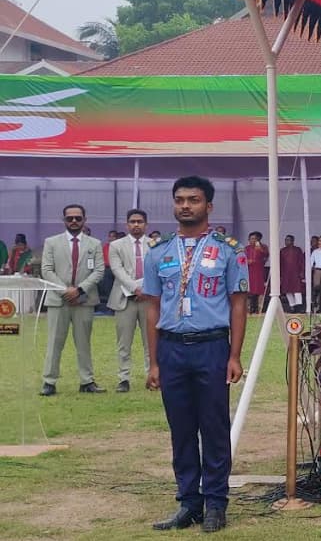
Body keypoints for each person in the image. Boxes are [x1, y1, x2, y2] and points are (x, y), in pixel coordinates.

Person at [144, 176, 248, 533]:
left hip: (211, 347)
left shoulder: (229, 250)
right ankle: (189, 502)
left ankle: (216, 503)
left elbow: (238, 304)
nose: (185, 205)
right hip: (172, 349)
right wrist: (154, 361)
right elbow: (153, 308)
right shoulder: (159, 252)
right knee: (181, 429)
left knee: (214, 428)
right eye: (180, 200)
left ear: (209, 206)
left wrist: (234, 355)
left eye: (193, 199)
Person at [39, 204, 106, 396]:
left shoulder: (94, 243)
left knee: (84, 342)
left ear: (85, 219)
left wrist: (79, 290)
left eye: (78, 218)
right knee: (54, 342)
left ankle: (87, 381)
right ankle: (49, 382)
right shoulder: (51, 242)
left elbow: (99, 271)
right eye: (70, 218)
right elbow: (46, 270)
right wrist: (65, 291)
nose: (74, 221)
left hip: (84, 300)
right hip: (58, 300)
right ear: (64, 221)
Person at [107, 209, 152, 393]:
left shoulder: (155, 244)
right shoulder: (116, 245)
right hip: (124, 299)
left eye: (140, 221)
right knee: (124, 342)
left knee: (150, 341)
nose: (136, 225)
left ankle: (152, 376)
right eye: (132, 221)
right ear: (127, 224)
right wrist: (135, 288)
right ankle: (123, 378)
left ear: (146, 224)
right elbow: (117, 270)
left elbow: (158, 270)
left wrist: (146, 289)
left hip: (149, 299)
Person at [279, 235, 306, 313]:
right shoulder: (282, 251)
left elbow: (301, 262)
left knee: (297, 290)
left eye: (288, 240)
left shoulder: (297, 250)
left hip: (296, 273)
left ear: (292, 241)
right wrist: (280, 275)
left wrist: (302, 272)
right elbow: (280, 263)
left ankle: (299, 306)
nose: (286, 242)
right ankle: (292, 306)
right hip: (286, 273)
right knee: (287, 290)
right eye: (286, 240)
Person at [243, 231, 268, 314]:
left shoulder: (263, 247)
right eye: (251, 239)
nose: (252, 240)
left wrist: (259, 247)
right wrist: (247, 261)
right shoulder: (246, 248)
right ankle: (251, 309)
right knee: (250, 290)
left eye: (254, 239)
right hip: (249, 271)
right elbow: (241, 259)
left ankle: (257, 309)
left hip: (258, 271)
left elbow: (265, 255)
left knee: (257, 290)